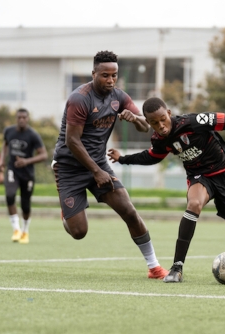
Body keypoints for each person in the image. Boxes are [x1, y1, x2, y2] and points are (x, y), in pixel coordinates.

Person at [108, 97, 225, 283]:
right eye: (154, 123)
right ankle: (176, 267)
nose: (161, 125)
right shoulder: (160, 139)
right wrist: (123, 159)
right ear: (148, 123)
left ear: (169, 113)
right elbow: (153, 156)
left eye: (163, 119)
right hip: (199, 177)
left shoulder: (193, 122)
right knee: (194, 204)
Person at [51, 50, 168, 280]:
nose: (111, 80)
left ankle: (154, 267)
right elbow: (72, 141)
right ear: (93, 73)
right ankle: (67, 214)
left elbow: (147, 127)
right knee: (79, 232)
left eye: (114, 75)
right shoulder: (79, 98)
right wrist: (96, 172)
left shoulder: (119, 96)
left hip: (99, 165)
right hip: (69, 167)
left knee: (129, 210)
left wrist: (134, 119)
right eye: (105, 75)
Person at [0, 108, 48, 244]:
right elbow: (5, 145)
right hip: (12, 170)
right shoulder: (9, 131)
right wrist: (1, 160)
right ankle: (16, 229)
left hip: (27, 173)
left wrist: (26, 161)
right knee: (9, 196)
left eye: (24, 117)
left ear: (27, 119)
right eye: (19, 117)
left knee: (25, 205)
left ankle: (25, 231)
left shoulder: (33, 135)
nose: (21, 119)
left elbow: (44, 155)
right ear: (16, 118)